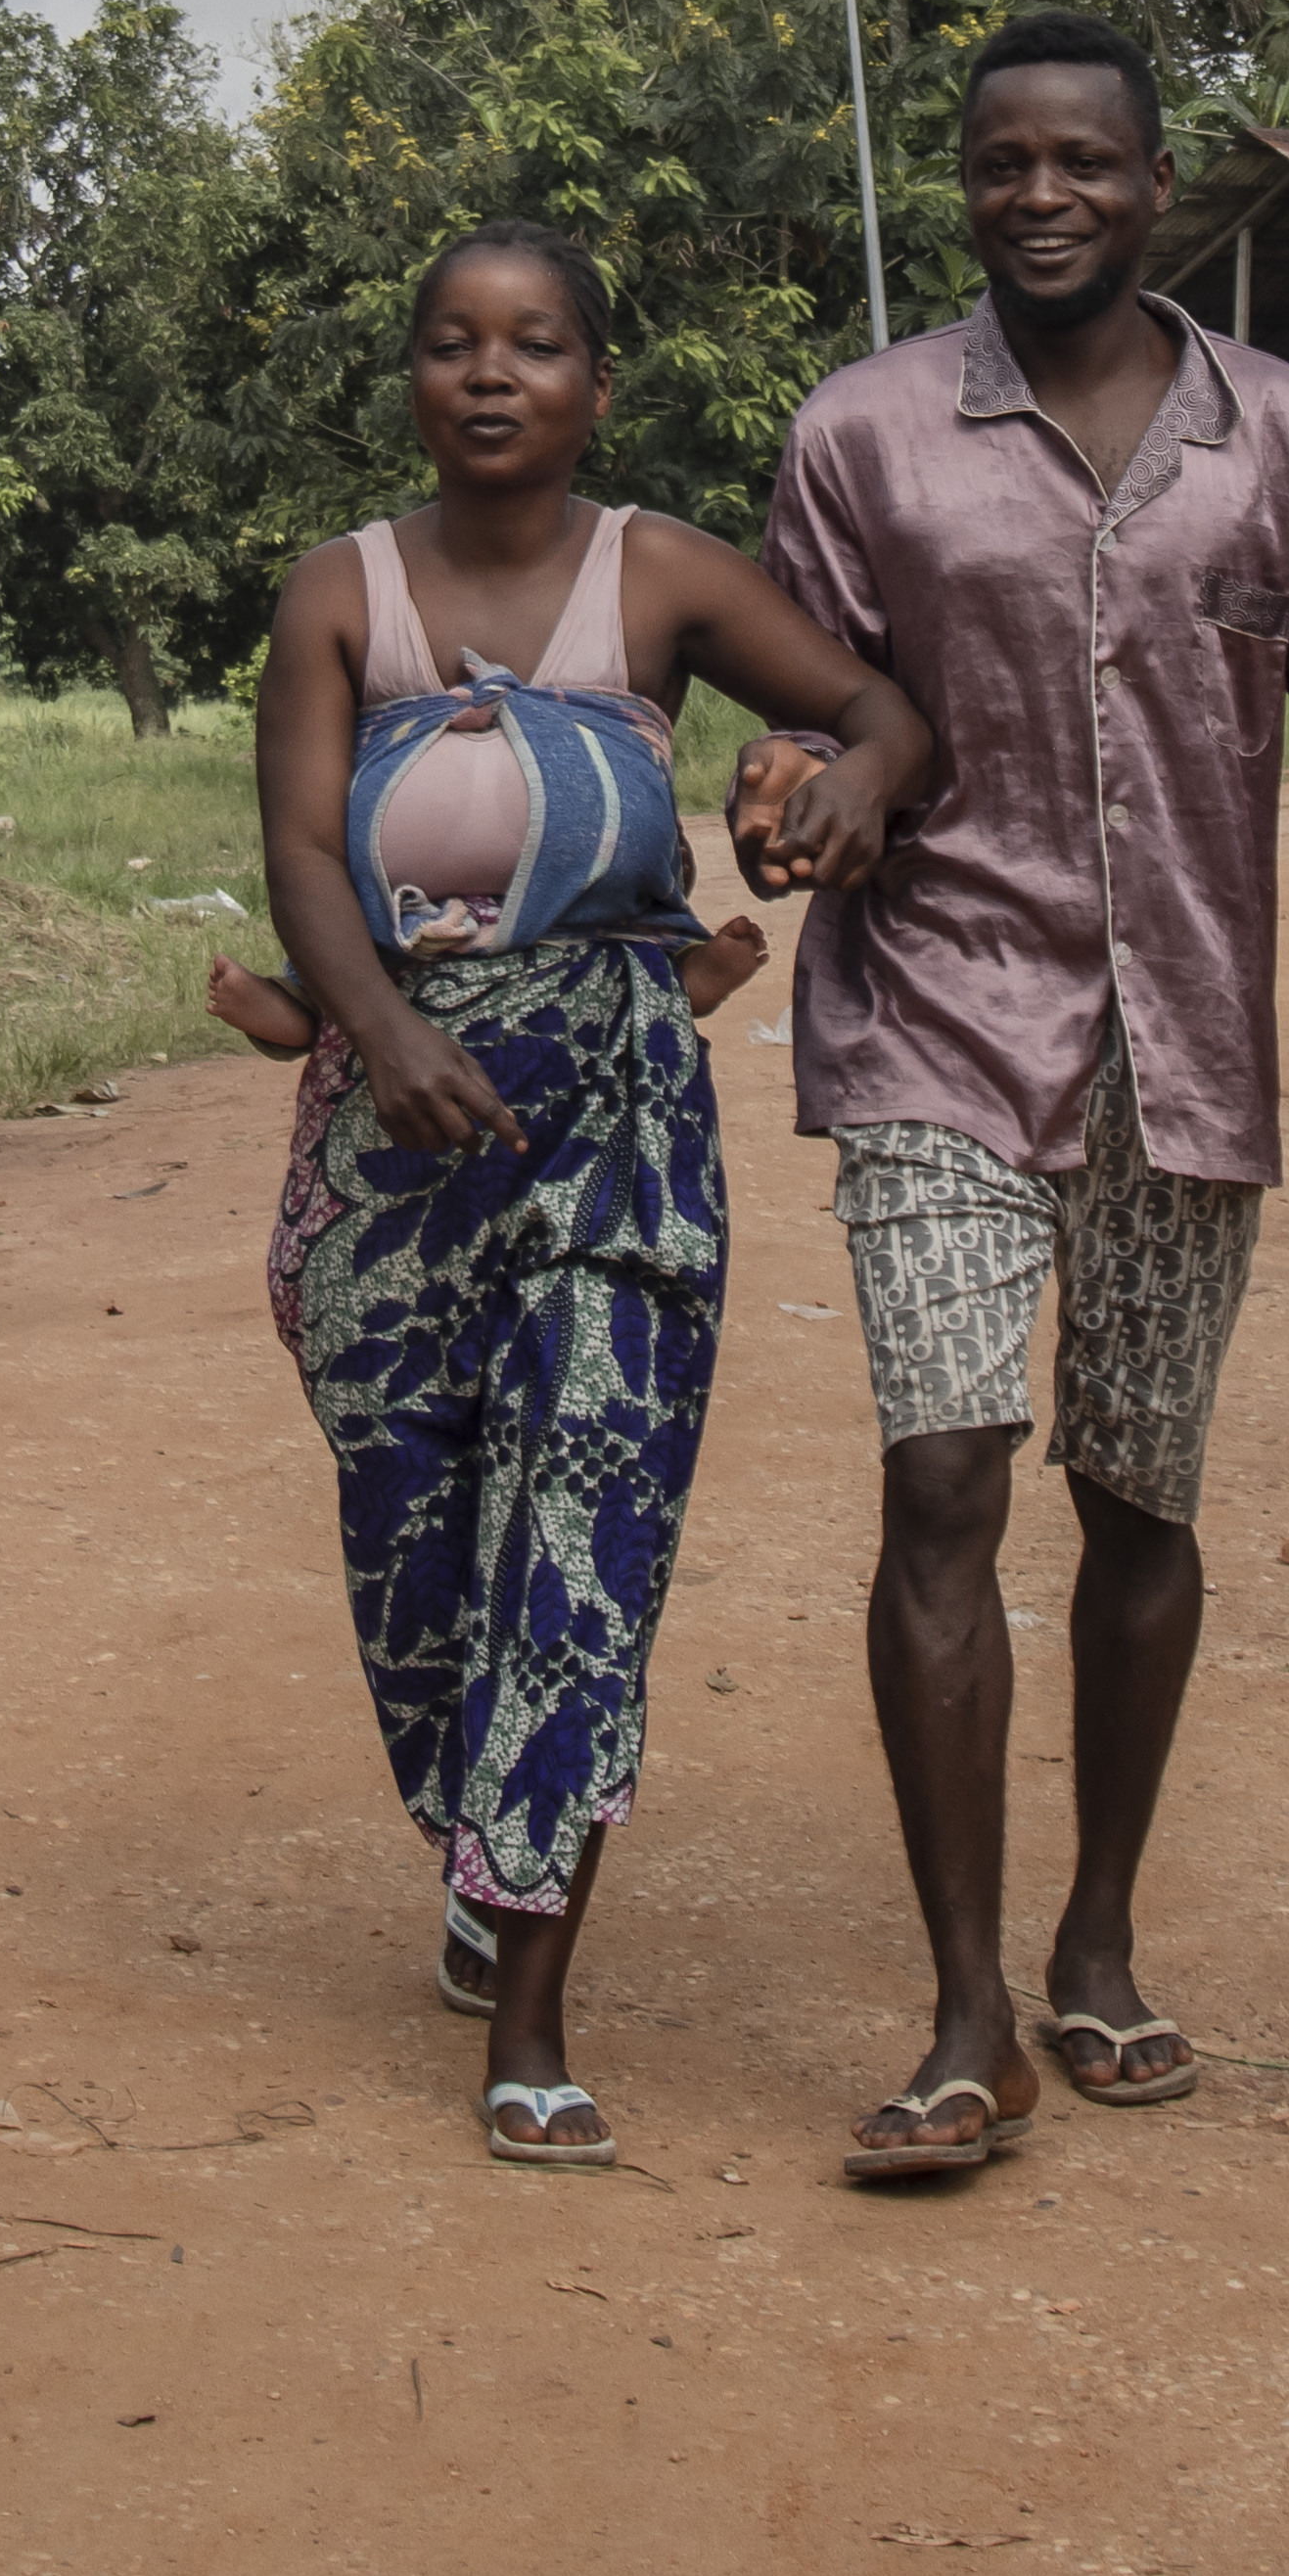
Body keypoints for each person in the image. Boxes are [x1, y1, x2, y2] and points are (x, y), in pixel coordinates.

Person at [742, 13, 1289, 2185]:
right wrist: (799, 800)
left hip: (1182, 1039)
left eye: (1081, 161)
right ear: (965, 186)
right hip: (930, 1023)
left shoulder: (1281, 444)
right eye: (999, 163)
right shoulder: (862, 431)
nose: (1037, 193)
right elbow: (805, 693)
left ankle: (1096, 1929)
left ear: (1155, 191)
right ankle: (968, 2008)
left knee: (1136, 1498)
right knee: (943, 1473)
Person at [244, 225, 938, 2173]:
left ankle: (535, 2004)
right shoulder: (336, 594)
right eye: (452, 342)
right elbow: (301, 850)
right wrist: (377, 1030)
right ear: (411, 377)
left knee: (578, 1533)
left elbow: (883, 712)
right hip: (399, 1125)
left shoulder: (661, 576)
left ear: (592, 383)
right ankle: (473, 1835)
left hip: (617, 1115)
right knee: (409, 1549)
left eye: (533, 344)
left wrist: (842, 784)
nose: (491, 375)